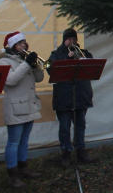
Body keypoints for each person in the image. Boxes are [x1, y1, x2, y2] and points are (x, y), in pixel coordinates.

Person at [0, 32, 43, 188]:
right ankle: (13, 176)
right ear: (12, 45)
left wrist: (35, 65)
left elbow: (40, 78)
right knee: (13, 141)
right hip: (15, 107)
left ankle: (24, 170)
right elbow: (10, 81)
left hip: (29, 105)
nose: (24, 45)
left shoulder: (24, 60)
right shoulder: (3, 61)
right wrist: (27, 64)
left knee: (24, 140)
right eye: (20, 43)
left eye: (24, 42)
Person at [47, 28, 94, 167]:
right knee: (65, 127)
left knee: (80, 126)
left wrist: (80, 57)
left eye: (74, 39)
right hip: (63, 97)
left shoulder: (83, 53)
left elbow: (91, 63)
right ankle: (66, 152)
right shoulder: (56, 54)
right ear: (64, 40)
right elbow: (50, 69)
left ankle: (81, 150)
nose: (72, 42)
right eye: (69, 39)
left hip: (81, 95)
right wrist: (67, 58)